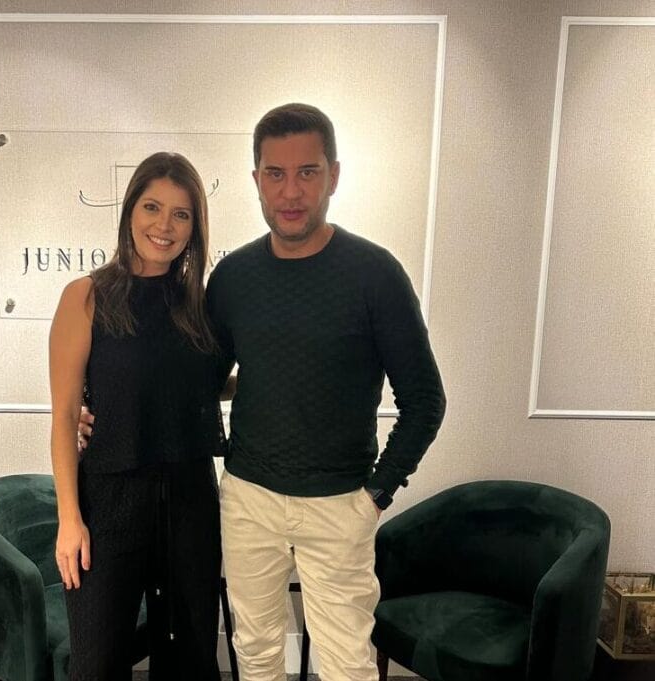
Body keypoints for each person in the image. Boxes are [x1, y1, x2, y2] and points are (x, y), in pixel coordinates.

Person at [204, 103, 446, 681]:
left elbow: (424, 400)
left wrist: (377, 493)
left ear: (333, 176)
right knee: (255, 652)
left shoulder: (375, 275)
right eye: (276, 173)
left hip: (342, 503)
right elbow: (203, 381)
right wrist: (99, 407)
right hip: (249, 500)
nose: (291, 192)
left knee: (345, 664)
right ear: (256, 179)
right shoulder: (232, 278)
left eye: (307, 172)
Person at [49, 152, 225, 681]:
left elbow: (197, 382)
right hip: (108, 500)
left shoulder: (199, 305)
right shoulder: (86, 297)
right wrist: (69, 519)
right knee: (98, 660)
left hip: (190, 499)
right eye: (152, 207)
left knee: (190, 658)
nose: (164, 225)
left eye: (180, 214)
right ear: (130, 211)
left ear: (194, 228)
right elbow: (64, 416)